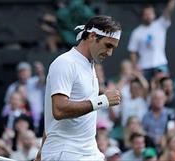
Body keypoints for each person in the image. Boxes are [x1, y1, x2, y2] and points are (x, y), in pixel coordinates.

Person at [36, 15, 122, 161]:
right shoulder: (65, 63)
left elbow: (51, 121)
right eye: (108, 46)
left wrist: (40, 155)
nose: (110, 53)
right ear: (93, 36)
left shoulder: (90, 66)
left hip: (88, 151)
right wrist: (101, 101)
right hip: (67, 153)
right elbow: (58, 110)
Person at [127, 0, 175, 81]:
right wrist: (135, 67)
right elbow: (133, 52)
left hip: (160, 63)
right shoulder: (136, 32)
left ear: (154, 14)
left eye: (150, 13)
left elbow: (169, 10)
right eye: (146, 14)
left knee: (163, 86)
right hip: (144, 66)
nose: (148, 16)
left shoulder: (160, 24)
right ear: (142, 16)